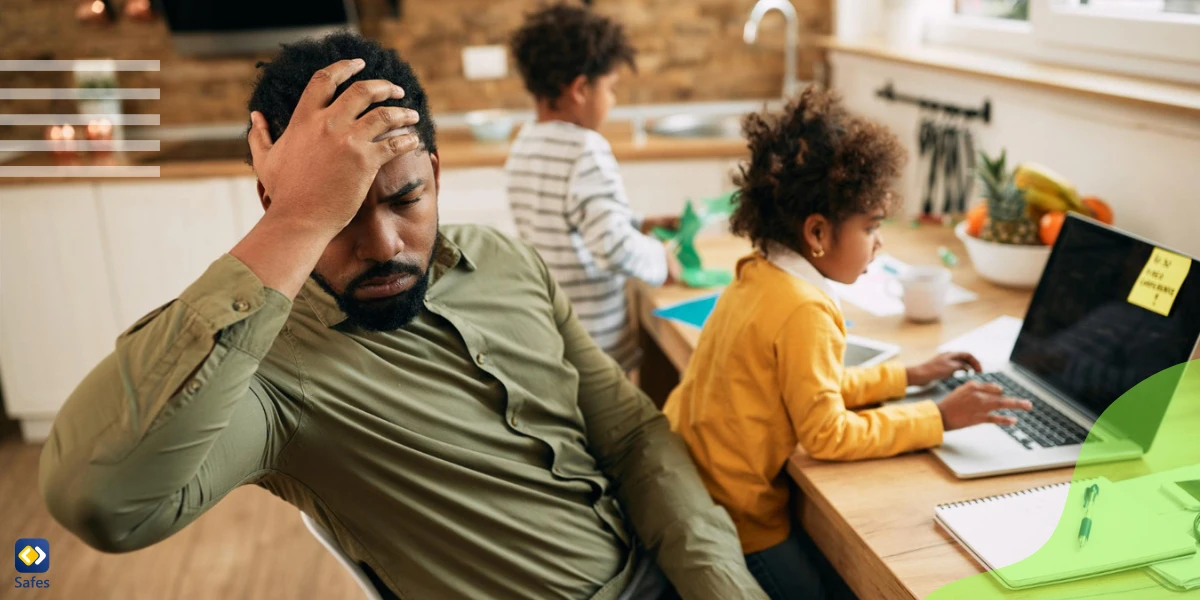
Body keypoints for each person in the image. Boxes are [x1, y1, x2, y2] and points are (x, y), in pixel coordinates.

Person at [39, 33, 767, 600]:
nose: (384, 244)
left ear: (438, 175)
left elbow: (633, 437)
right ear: (280, 205)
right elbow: (97, 498)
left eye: (405, 199)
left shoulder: (505, 262)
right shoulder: (267, 373)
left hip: (678, 565)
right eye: (340, 214)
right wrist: (295, 223)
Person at [661, 87, 1032, 600]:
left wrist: (907, 376)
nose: (879, 242)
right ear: (817, 232)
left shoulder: (759, 274)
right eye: (871, 227)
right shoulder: (804, 309)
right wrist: (938, 418)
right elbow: (828, 434)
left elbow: (808, 386)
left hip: (695, 493)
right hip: (741, 526)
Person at [505, 3, 680, 371]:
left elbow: (568, 220)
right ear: (581, 89)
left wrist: (637, 222)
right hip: (598, 346)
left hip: (553, 335)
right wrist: (660, 260)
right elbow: (612, 246)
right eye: (611, 89)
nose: (612, 101)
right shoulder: (586, 148)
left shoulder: (524, 143)